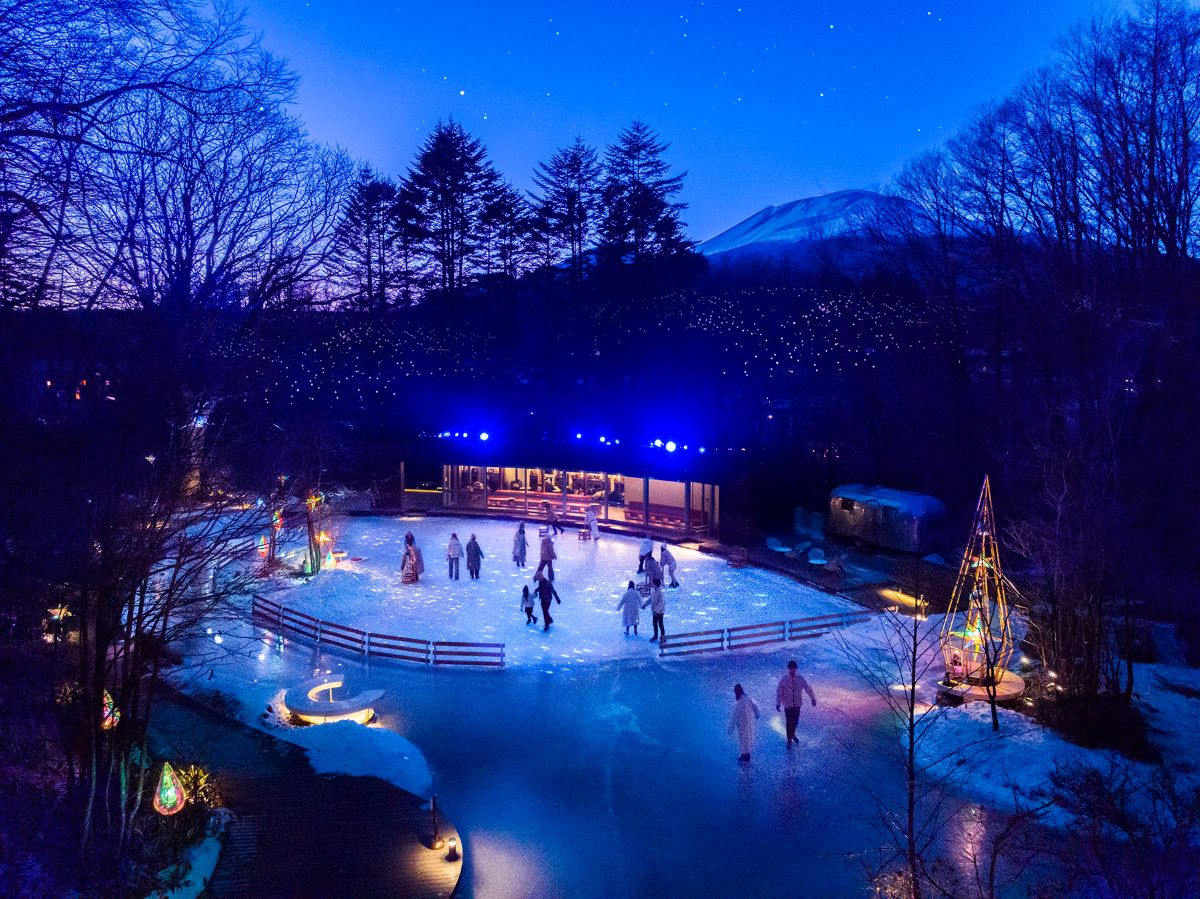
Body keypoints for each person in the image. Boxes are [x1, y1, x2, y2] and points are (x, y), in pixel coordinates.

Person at [775, 659, 817, 749]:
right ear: (788, 669)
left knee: (795, 721)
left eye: (793, 668)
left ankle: (792, 733)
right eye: (791, 668)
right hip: (788, 705)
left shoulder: (800, 679)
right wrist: (778, 703)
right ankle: (789, 740)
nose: (792, 670)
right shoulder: (784, 679)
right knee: (789, 722)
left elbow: (807, 688)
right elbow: (779, 692)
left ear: (796, 668)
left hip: (797, 704)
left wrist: (813, 698)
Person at [728, 684, 761, 763]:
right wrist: (757, 714)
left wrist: (730, 729)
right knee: (748, 737)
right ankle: (746, 754)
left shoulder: (738, 705)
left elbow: (733, 718)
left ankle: (745, 756)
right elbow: (755, 707)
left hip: (742, 725)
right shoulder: (748, 699)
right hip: (749, 722)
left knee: (743, 739)